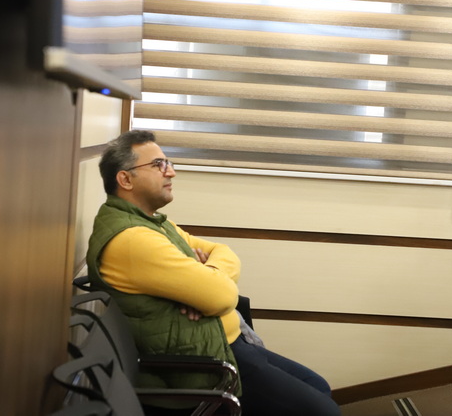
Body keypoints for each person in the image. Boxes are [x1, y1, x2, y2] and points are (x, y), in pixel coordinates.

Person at [86, 130, 341, 416]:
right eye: (158, 165)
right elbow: (222, 296)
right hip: (205, 365)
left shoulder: (153, 223)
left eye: (168, 163)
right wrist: (207, 286)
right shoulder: (133, 239)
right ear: (125, 179)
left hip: (224, 341)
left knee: (318, 386)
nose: (171, 172)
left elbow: (223, 251)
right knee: (324, 412)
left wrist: (205, 275)